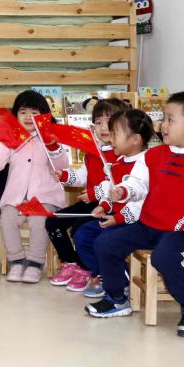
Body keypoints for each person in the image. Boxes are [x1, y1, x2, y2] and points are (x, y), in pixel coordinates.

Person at [86, 91, 184, 338]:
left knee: (164, 257)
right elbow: (137, 184)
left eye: (169, 120)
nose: (162, 125)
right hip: (149, 225)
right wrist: (124, 191)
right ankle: (117, 298)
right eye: (163, 119)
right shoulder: (152, 156)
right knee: (105, 243)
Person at [0, 91, 70, 283]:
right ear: (15, 116)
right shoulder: (12, 138)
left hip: (45, 197)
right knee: (7, 219)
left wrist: (53, 147)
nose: (29, 117)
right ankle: (16, 261)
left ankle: (35, 263)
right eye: (23, 112)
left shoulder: (51, 137)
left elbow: (63, 165)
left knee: (39, 222)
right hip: (16, 197)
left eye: (34, 112)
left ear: (44, 115)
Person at [72, 108, 153, 298]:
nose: (111, 137)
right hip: (117, 218)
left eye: (116, 133)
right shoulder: (117, 163)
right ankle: (102, 274)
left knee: (105, 241)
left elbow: (139, 200)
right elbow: (110, 190)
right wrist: (103, 206)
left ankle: (120, 282)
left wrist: (117, 218)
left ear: (135, 139)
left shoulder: (148, 162)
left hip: (137, 222)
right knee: (83, 234)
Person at [48, 97, 127, 292]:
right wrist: (65, 175)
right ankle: (71, 261)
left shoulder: (123, 153)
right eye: (98, 122)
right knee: (53, 221)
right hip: (90, 202)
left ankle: (85, 268)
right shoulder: (92, 151)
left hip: (110, 206)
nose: (103, 127)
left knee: (79, 228)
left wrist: (93, 193)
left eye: (109, 121)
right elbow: (83, 176)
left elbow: (117, 185)